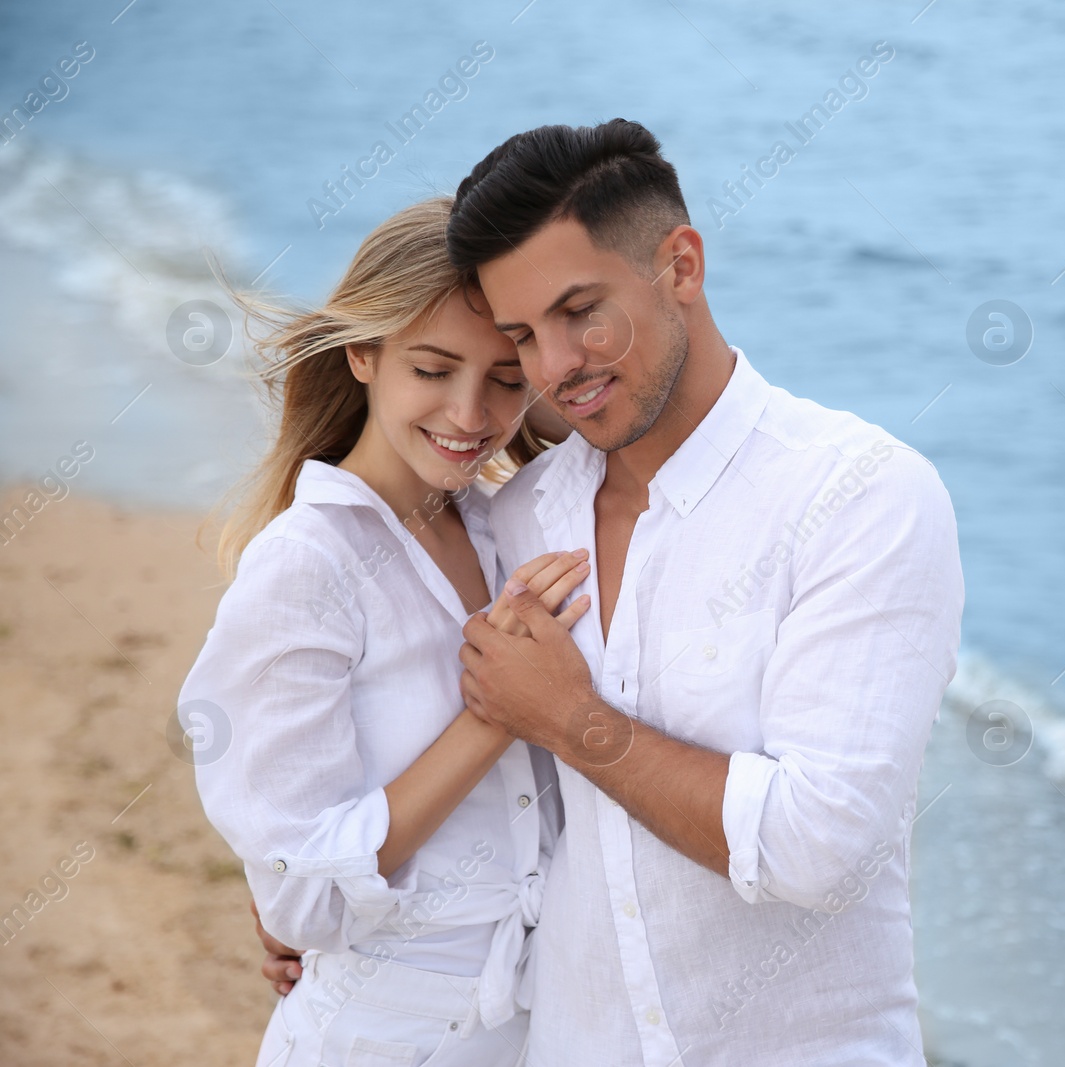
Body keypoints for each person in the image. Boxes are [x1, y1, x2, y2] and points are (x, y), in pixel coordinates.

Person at [450, 119, 965, 1065]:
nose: (556, 367)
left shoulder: (858, 496)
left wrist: (573, 721)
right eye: (523, 336)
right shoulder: (515, 519)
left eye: (581, 312)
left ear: (679, 265)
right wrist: (317, 893)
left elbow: (821, 847)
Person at [181, 198, 586, 1067]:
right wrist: (496, 711)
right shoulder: (306, 565)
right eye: (432, 369)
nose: (470, 414)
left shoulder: (505, 527)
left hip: (534, 1033)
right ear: (363, 352)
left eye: (505, 378)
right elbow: (302, 900)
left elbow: (624, 441)